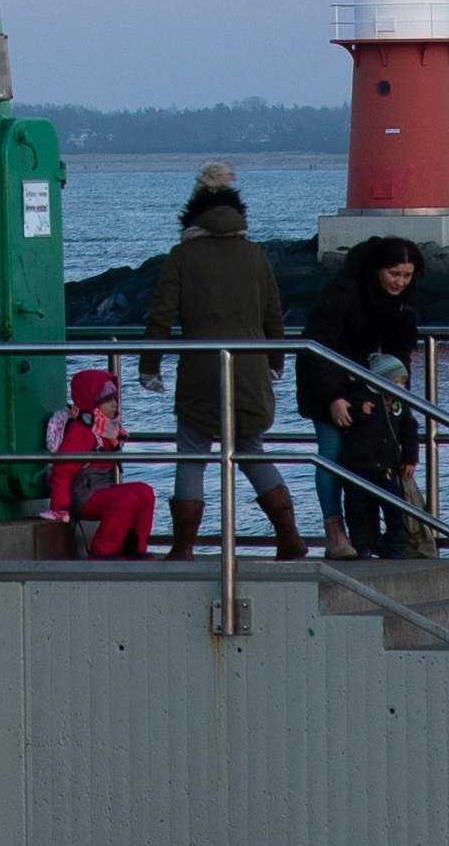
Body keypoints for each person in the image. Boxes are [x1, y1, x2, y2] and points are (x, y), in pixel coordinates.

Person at [139, 164, 307, 560]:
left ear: (192, 216)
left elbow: (161, 314)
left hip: (200, 369)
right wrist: (276, 361)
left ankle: (183, 547)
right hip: (250, 368)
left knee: (192, 454)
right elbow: (274, 315)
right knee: (251, 450)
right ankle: (290, 537)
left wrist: (149, 367)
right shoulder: (255, 255)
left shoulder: (182, 256)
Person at [302, 235, 426, 559]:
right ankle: (335, 533)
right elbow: (317, 346)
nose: (400, 282)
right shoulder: (345, 289)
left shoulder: (403, 298)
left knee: (371, 456)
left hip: (369, 383)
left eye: (407, 275)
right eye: (394, 273)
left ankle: (370, 535)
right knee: (332, 452)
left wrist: (399, 390)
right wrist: (333, 397)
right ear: (377, 269)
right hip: (324, 378)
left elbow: (400, 347)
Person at [44, 366, 156, 557]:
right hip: (81, 496)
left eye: (115, 399)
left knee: (144, 493)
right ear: (93, 403)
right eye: (108, 400)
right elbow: (62, 471)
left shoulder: (106, 430)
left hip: (99, 488)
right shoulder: (80, 432)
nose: (115, 405)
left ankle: (134, 549)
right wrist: (60, 507)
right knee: (124, 500)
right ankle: (101, 554)